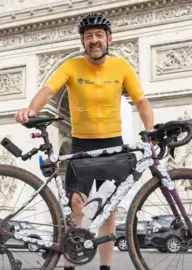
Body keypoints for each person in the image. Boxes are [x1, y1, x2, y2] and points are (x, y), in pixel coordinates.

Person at [15, 12, 155, 270]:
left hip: (113, 145)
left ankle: (105, 267)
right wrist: (31, 110)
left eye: (99, 35)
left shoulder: (122, 67)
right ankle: (70, 263)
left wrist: (150, 130)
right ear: (83, 42)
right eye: (89, 36)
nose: (94, 40)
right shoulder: (71, 66)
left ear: (109, 39)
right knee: (77, 205)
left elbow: (141, 101)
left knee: (109, 208)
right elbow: (49, 90)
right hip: (81, 144)